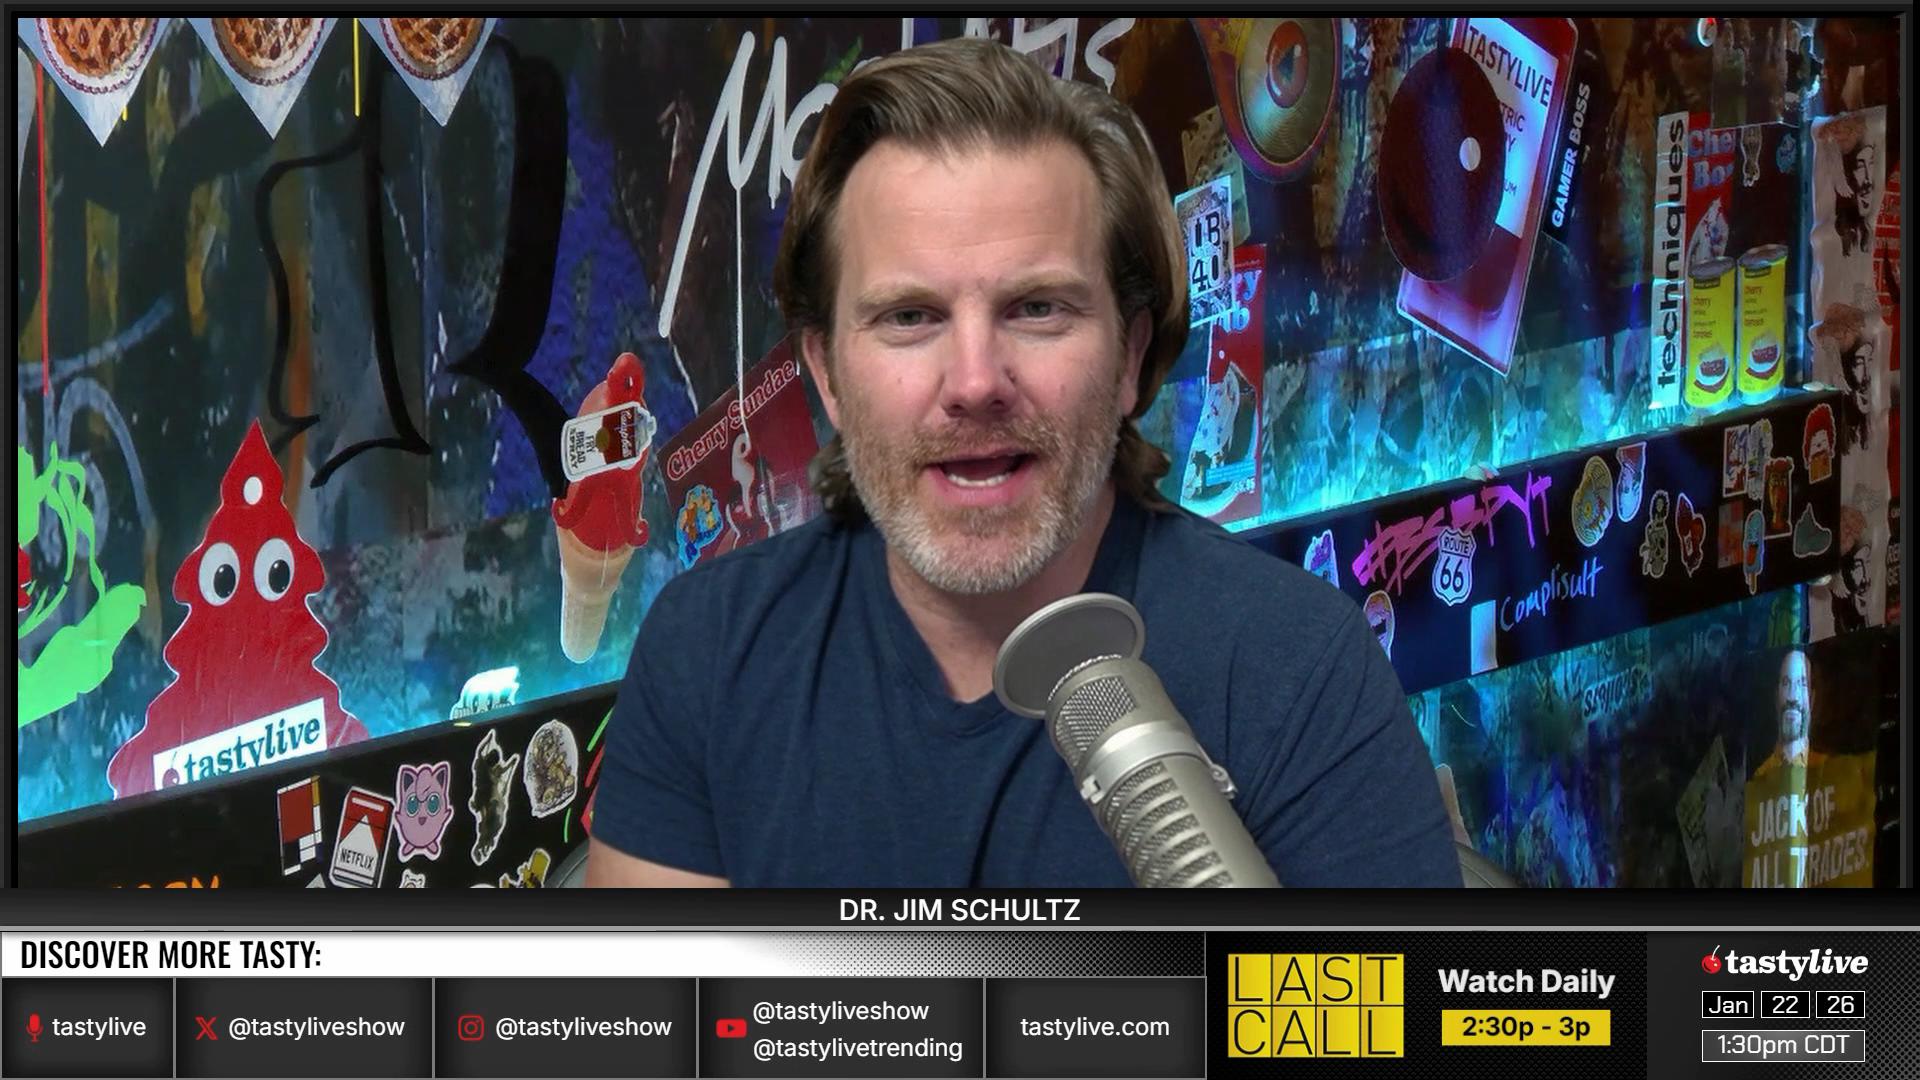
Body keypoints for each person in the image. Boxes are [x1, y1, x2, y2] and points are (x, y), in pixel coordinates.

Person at [585, 38, 1458, 888]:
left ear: (1128, 359)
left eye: (1037, 308)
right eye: (909, 317)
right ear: (828, 376)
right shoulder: (708, 652)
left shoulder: (1300, 675)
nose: (975, 383)